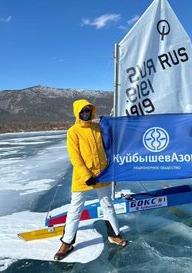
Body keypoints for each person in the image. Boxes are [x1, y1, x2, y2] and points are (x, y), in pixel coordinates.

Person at [54, 99, 128, 261]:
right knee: (75, 209)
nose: (86, 114)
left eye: (88, 111)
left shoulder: (98, 128)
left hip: (102, 174)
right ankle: (67, 242)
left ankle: (114, 235)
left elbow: (111, 141)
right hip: (83, 177)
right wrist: (87, 176)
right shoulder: (73, 132)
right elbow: (76, 157)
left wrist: (110, 122)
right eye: (83, 111)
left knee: (107, 204)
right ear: (77, 113)